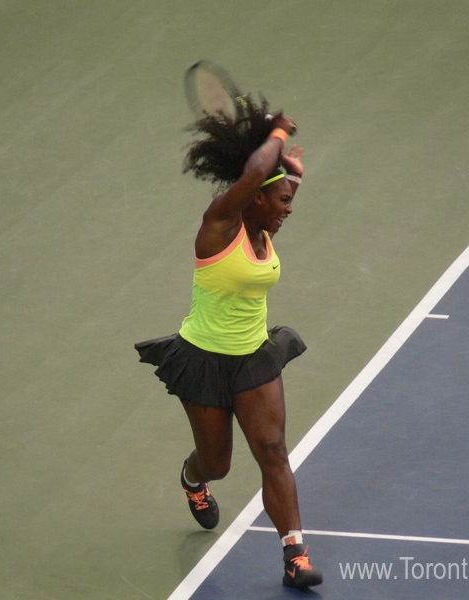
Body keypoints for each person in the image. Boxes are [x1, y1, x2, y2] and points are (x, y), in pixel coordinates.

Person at [134, 97, 322, 590]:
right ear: (255, 196)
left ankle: (294, 555)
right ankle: (193, 480)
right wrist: (277, 135)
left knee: (273, 450)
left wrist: (292, 173)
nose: (288, 210)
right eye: (283, 200)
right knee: (217, 462)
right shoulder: (220, 225)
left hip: (253, 358)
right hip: (203, 360)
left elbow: (272, 181)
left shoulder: (265, 223)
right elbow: (260, 171)